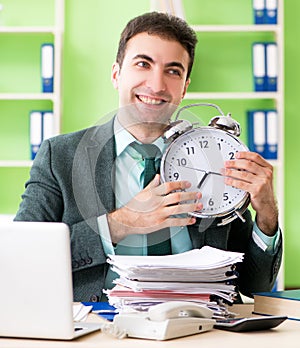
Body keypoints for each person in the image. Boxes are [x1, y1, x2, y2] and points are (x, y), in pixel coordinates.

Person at [14, 12, 282, 302]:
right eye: (143, 64)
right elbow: (20, 258)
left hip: (198, 327)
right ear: (117, 74)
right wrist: (121, 223)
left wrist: (267, 214)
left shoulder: (215, 159)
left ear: (185, 87)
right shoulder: (60, 157)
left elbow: (255, 286)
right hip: (99, 328)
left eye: (173, 71)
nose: (156, 85)